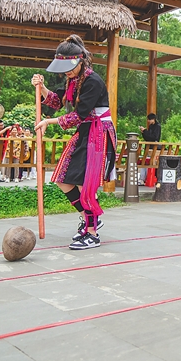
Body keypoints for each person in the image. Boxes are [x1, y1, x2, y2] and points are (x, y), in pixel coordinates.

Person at [32, 34, 117, 250]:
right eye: (64, 67)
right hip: (84, 132)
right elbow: (57, 101)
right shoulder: (72, 80)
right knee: (63, 178)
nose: (66, 71)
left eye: (70, 66)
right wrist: (41, 88)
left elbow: (78, 115)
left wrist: (48, 121)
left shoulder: (93, 81)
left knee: (84, 184)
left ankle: (92, 233)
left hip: (98, 134)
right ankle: (91, 218)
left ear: (81, 60)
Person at [138, 113, 161, 184]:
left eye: (149, 119)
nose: (148, 121)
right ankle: (142, 178)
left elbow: (155, 137)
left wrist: (145, 131)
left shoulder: (158, 126)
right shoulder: (150, 126)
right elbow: (147, 138)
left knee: (151, 162)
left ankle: (148, 178)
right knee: (145, 161)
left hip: (153, 147)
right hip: (148, 146)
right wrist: (143, 132)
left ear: (153, 119)